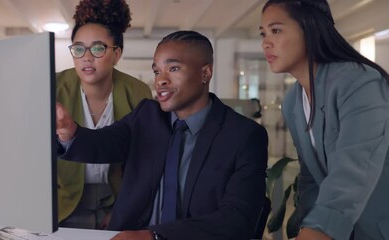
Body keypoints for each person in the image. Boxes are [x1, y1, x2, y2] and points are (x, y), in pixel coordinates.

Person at [56, 30, 269, 240]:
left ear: (205, 73)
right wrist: (69, 131)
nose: (161, 81)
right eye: (157, 72)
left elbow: (237, 220)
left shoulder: (244, 136)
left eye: (173, 68)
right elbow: (103, 143)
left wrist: (155, 236)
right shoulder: (147, 116)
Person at [260, 0, 389, 239]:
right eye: (263, 33)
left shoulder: (359, 82)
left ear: (310, 28)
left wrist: (318, 231)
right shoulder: (292, 101)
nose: (266, 42)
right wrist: (307, 226)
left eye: (276, 30)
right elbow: (311, 179)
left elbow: (354, 169)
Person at [56, 0, 152, 229]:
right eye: (79, 48)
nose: (87, 57)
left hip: (118, 201)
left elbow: (144, 162)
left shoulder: (137, 92)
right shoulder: (54, 88)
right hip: (62, 202)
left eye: (98, 48)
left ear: (116, 53)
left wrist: (124, 210)